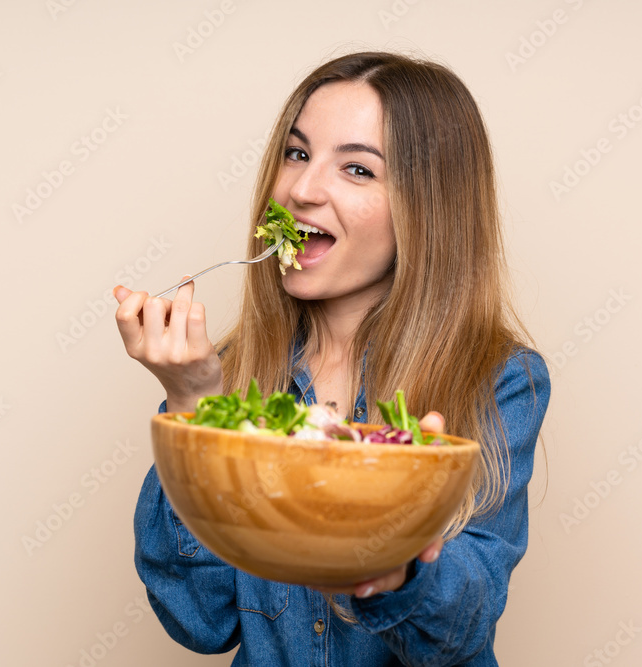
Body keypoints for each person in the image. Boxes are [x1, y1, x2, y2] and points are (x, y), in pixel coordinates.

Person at [112, 50, 550, 666]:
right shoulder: (226, 378)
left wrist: (393, 562)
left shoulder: (502, 379)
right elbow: (199, 621)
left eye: (357, 169)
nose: (300, 190)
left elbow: (455, 635)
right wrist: (194, 406)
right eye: (297, 154)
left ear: (428, 209)